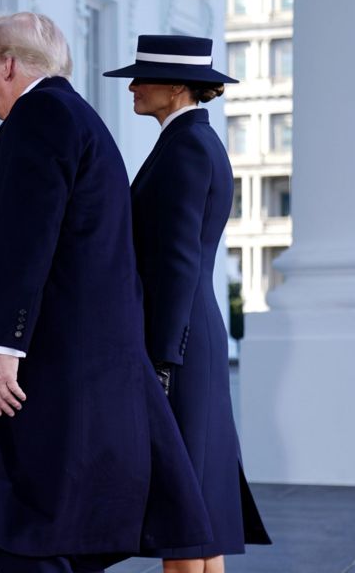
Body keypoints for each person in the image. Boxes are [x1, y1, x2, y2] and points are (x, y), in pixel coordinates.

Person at [0, 13, 213, 573]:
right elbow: (55, 251)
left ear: (9, 64)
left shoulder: (41, 117)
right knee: (50, 533)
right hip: (78, 372)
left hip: (45, 372)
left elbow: (27, 239)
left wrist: (3, 349)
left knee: (22, 530)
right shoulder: (72, 117)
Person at [103, 35, 271, 573]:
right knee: (197, 512)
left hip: (180, 343)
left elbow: (175, 261)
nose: (132, 86)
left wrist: (160, 360)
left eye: (142, 76)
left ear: (176, 86)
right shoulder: (189, 143)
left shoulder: (186, 148)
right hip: (189, 336)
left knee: (182, 510)